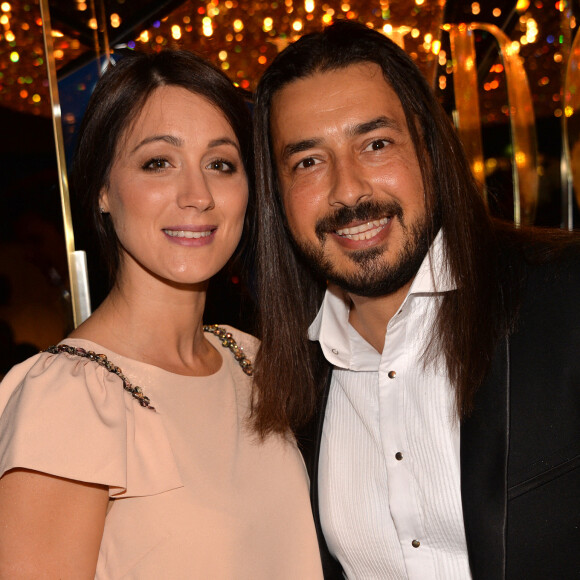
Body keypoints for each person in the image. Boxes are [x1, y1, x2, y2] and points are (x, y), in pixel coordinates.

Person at [252, 20, 580, 580]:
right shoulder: (285, 381)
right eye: (308, 161)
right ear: (277, 195)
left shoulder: (566, 294)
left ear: (428, 146)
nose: (348, 189)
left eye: (375, 144)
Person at [0, 50, 322, 579]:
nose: (197, 196)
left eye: (221, 164)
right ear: (103, 189)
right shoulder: (67, 399)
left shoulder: (254, 359)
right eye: (158, 162)